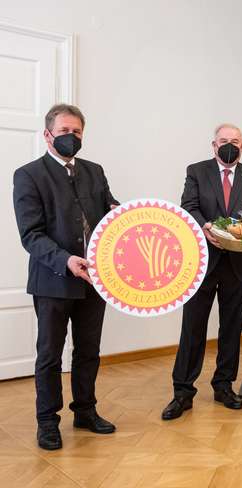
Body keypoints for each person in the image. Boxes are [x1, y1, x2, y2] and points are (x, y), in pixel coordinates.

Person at [13, 104, 119, 450]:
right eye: (64, 132)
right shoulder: (28, 175)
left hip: (95, 281)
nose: (71, 138)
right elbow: (31, 234)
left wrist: (132, 218)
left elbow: (110, 211)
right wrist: (66, 260)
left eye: (76, 132)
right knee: (49, 355)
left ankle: (86, 411)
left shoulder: (95, 171)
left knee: (89, 350)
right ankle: (47, 421)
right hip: (54, 280)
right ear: (47, 135)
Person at [162, 123, 242, 420]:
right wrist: (206, 226)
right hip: (202, 262)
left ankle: (224, 386)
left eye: (235, 141)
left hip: (239, 265)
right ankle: (182, 392)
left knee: (231, 330)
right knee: (192, 329)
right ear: (213, 145)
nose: (230, 145)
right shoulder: (196, 171)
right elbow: (189, 207)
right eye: (224, 141)